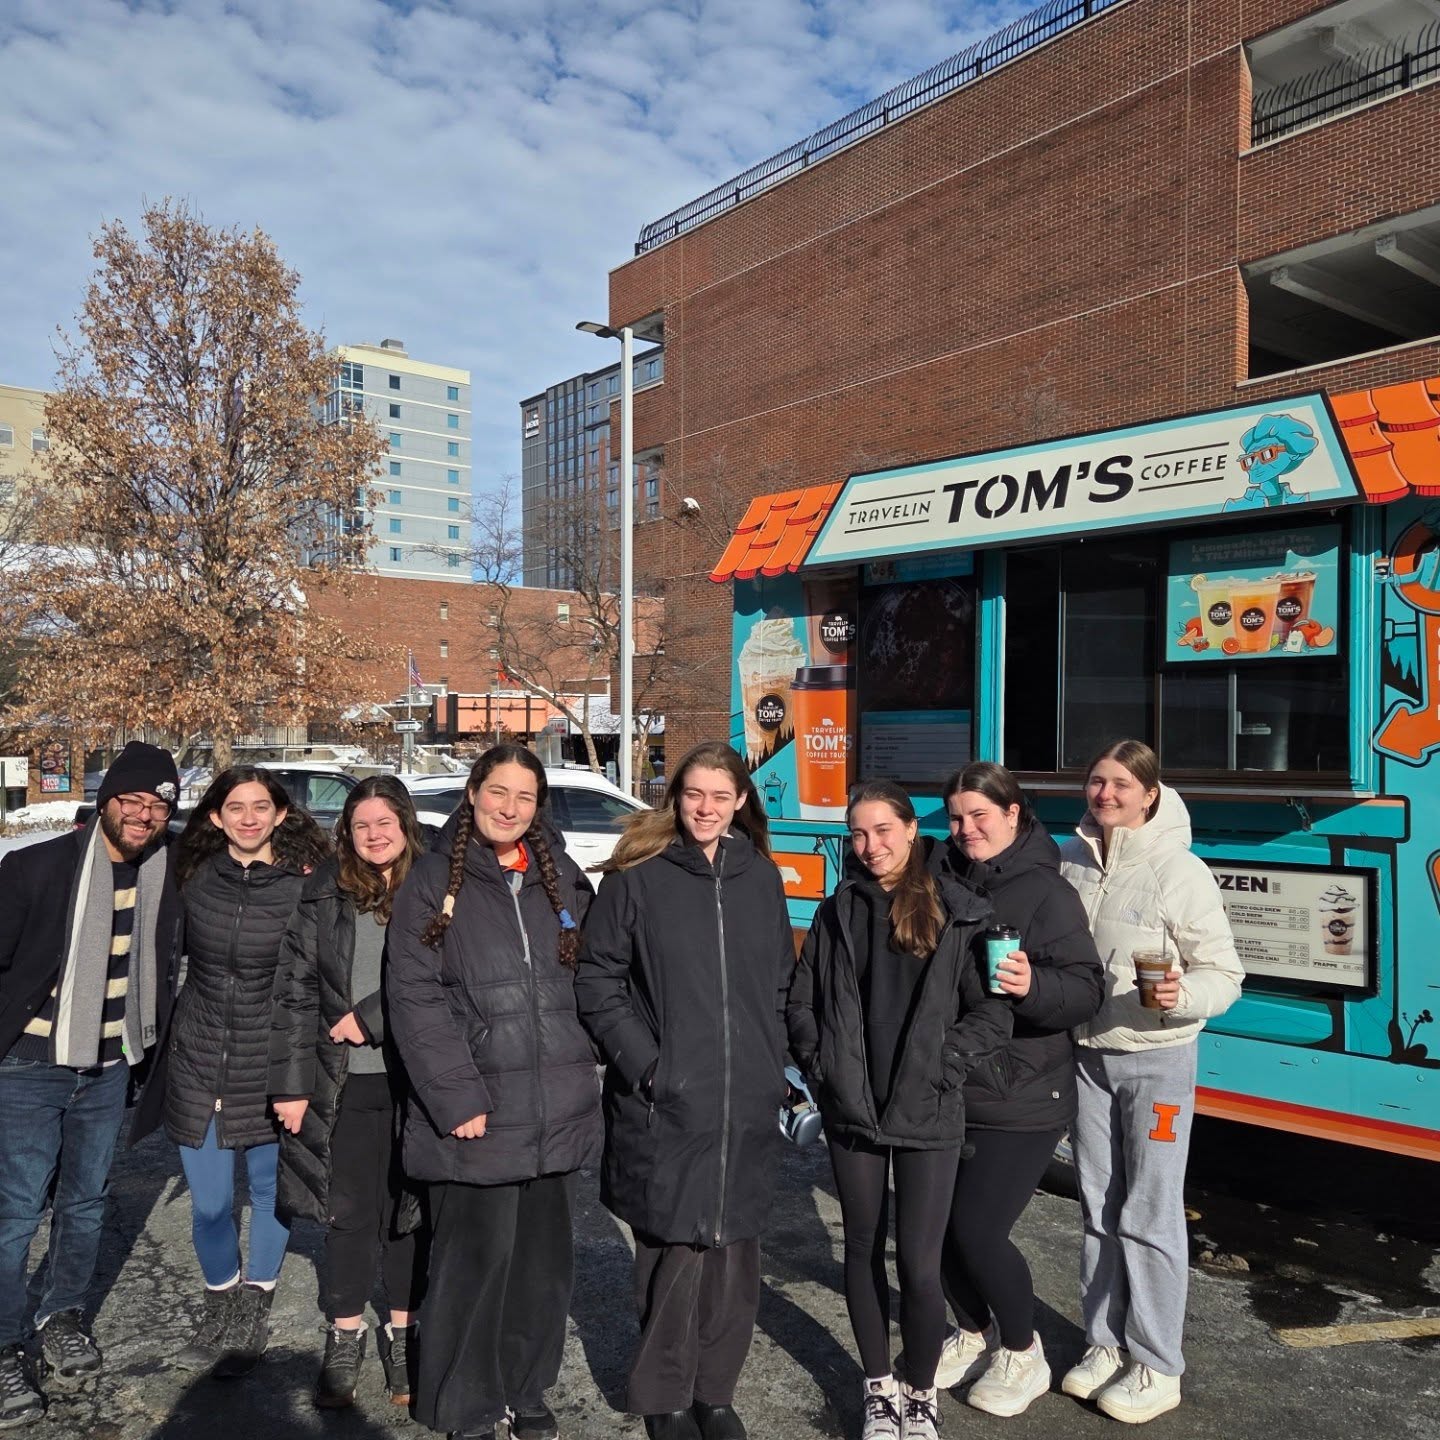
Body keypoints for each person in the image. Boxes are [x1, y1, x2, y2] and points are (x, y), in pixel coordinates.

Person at [575, 742, 793, 1440]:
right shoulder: (637, 877)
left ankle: (715, 1392)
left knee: (734, 1253)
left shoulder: (760, 876)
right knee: (673, 1251)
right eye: (694, 794)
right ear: (676, 797)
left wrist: (773, 1066)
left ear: (740, 802)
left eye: (721, 796)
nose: (706, 808)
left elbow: (779, 984)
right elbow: (597, 982)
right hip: (666, 1101)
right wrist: (648, 1066)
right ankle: (664, 1396)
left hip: (745, 1099)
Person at [787, 780, 1012, 1440]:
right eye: (858, 834)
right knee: (861, 1251)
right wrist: (822, 1065)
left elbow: (993, 1012)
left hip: (927, 1108)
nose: (870, 845)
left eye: (883, 830)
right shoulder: (837, 910)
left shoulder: (959, 909)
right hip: (852, 1106)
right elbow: (801, 1002)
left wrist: (944, 1064)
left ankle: (919, 1394)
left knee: (918, 1263)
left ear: (913, 830)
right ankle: (879, 1389)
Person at [386, 745, 598, 1440]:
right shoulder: (432, 881)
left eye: (525, 796)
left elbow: (596, 975)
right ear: (473, 792)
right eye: (498, 791)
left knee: (542, 1270)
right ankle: (466, 1404)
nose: (510, 807)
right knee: (472, 1269)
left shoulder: (558, 876)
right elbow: (414, 996)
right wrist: (457, 1099)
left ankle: (525, 1390)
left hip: (555, 1107)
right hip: (477, 1113)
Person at [1057, 740, 1243, 1424]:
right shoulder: (1070, 859)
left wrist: (1182, 996)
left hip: (1158, 1060)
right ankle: (1105, 1342)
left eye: (1120, 784)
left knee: (1151, 1210)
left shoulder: (1179, 870)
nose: (1105, 794)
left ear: (1150, 794)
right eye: (1096, 781)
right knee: (1097, 1204)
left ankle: (1158, 1363)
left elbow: (1224, 973)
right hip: (1087, 1056)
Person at [0, 743, 183, 1427]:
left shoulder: (169, 875)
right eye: (132, 800)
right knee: (16, 1213)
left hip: (109, 1067)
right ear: (106, 801)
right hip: (28, 1066)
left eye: (158, 805)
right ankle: (2, 1346)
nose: (143, 814)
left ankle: (62, 1317)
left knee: (84, 1204)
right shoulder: (35, 868)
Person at [928, 762, 1103, 1417]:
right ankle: (973, 1331)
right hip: (946, 1084)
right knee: (934, 1228)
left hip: (1021, 1092)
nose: (966, 829)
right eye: (956, 817)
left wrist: (1034, 986)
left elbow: (1085, 988)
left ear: (1012, 814)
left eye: (980, 815)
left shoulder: (1045, 892)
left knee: (976, 1229)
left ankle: (1024, 1353)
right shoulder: (941, 877)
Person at [268, 776, 431, 1409]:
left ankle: (403, 1333)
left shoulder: (437, 889)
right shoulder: (324, 893)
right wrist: (290, 1087)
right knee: (348, 1213)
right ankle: (345, 1334)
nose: (373, 835)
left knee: (408, 1213)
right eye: (360, 825)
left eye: (384, 822)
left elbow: (448, 978)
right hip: (345, 1081)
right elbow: (294, 993)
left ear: (405, 824)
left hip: (420, 1081)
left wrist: (372, 1016)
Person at [162, 766, 330, 1380]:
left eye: (261, 806)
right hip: (198, 1059)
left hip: (270, 1063)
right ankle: (221, 1300)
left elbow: (317, 979)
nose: (249, 818)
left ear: (280, 814)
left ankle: (252, 1307)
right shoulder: (192, 876)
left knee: (267, 1194)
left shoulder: (304, 886)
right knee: (210, 1205)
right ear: (216, 816)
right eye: (236, 807)